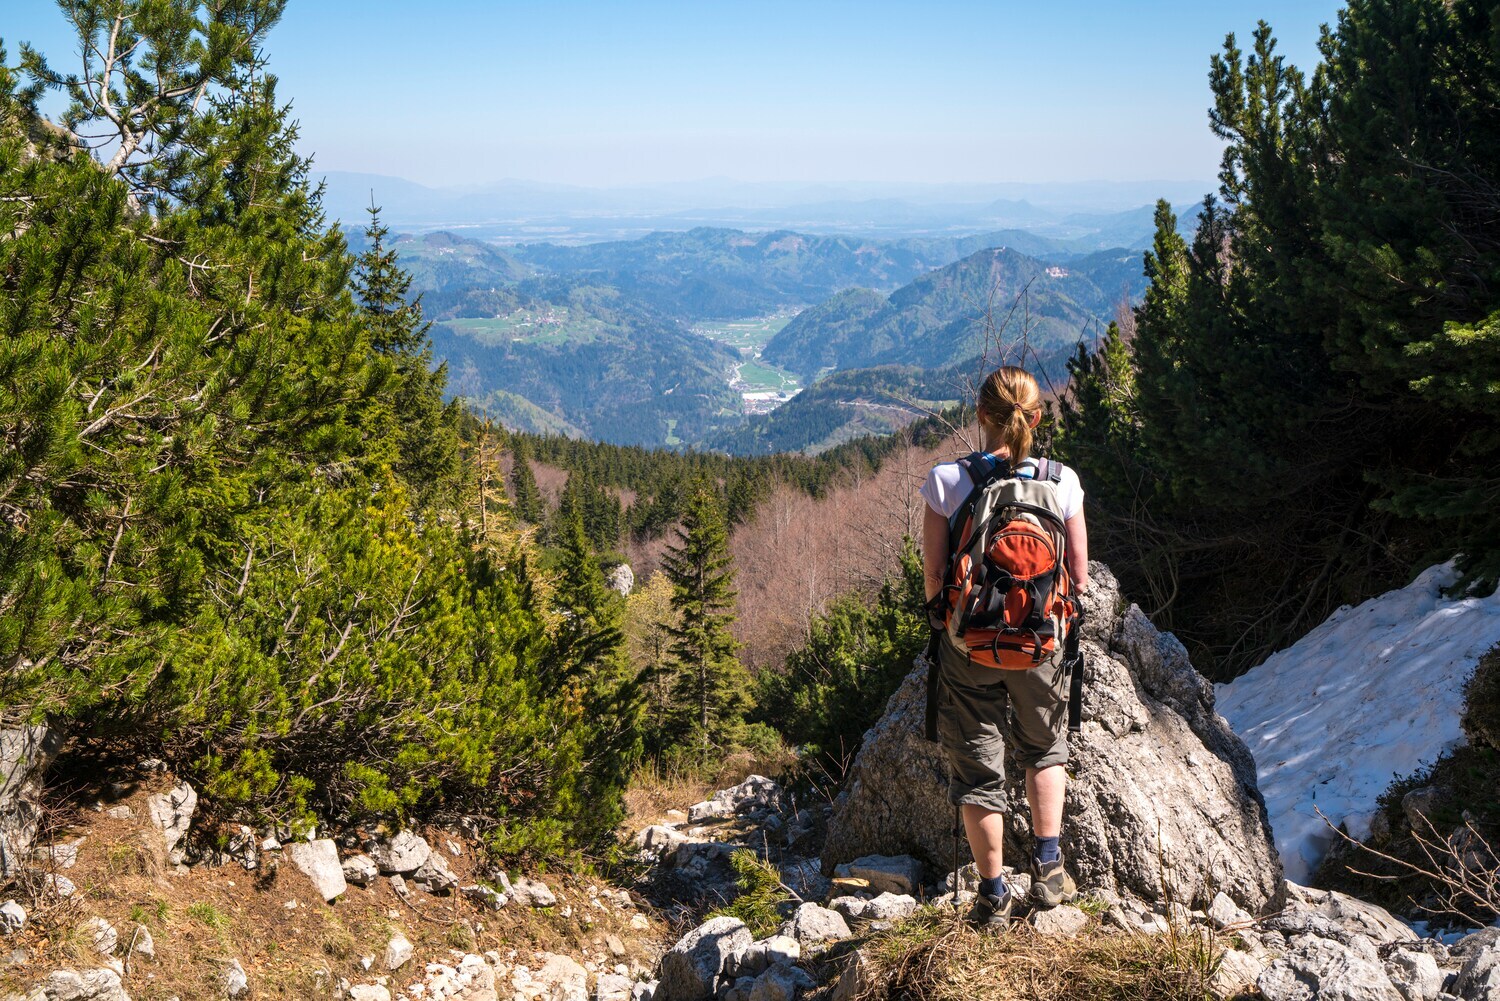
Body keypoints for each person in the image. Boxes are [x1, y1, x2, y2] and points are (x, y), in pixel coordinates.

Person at [919, 365, 1089, 929]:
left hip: (970, 648)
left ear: (980, 415)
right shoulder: (1062, 482)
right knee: (1044, 749)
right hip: (1042, 646)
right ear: (1036, 417)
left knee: (978, 773)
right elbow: (1080, 578)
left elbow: (935, 578)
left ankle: (992, 895)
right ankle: (1047, 867)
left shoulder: (947, 481)